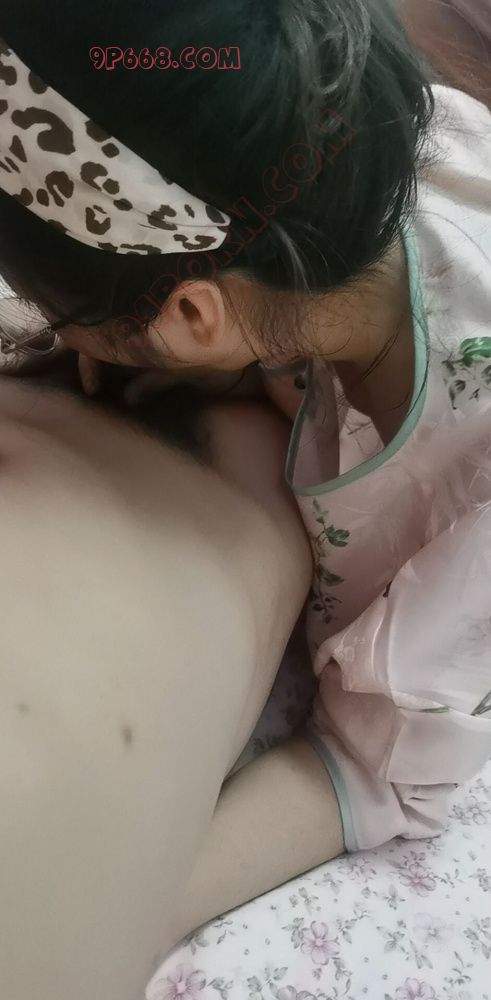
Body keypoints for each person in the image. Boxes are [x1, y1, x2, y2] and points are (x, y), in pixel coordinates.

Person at [0, 0, 491, 989]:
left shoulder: (462, 494)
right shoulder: (337, 155)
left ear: (192, 316)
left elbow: (380, 771)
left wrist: (128, 904)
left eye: (59, 313)